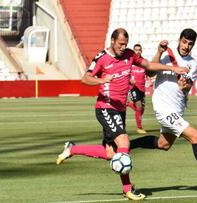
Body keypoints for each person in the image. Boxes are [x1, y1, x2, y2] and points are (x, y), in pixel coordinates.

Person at [55, 28, 188, 201]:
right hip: (105, 107)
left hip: (120, 110)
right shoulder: (102, 57)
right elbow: (85, 78)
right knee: (124, 142)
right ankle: (127, 189)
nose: (123, 47)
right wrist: (102, 80)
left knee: (111, 153)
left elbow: (148, 65)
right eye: (120, 44)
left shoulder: (130, 54)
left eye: (125, 44)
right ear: (112, 41)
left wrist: (173, 68)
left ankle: (72, 149)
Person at [130, 28, 197, 189]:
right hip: (164, 108)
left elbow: (188, 86)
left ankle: (126, 146)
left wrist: (184, 86)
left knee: (163, 144)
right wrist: (159, 52)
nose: (186, 46)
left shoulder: (193, 63)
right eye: (184, 42)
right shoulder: (167, 55)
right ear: (179, 40)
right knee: (196, 137)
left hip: (177, 110)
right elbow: (150, 72)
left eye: (190, 44)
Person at [128, 44, 147, 134]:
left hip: (142, 88)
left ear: (141, 51)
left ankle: (128, 103)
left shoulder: (144, 62)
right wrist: (129, 80)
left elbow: (148, 73)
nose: (138, 51)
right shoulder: (130, 62)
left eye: (139, 50)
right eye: (136, 50)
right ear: (134, 51)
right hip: (133, 88)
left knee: (141, 110)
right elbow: (125, 73)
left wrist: (150, 80)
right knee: (139, 106)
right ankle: (139, 128)